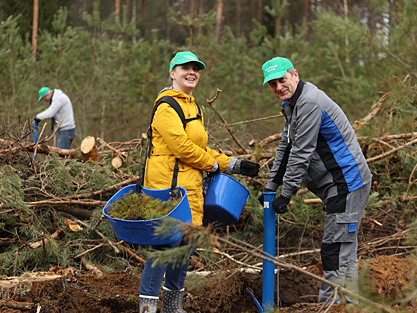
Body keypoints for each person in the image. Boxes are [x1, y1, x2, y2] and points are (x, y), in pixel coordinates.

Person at [137, 51, 259, 313]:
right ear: (172, 73)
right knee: (164, 248)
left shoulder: (194, 107)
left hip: (190, 189)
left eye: (195, 68)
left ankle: (172, 307)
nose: (191, 72)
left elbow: (200, 148)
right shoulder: (166, 106)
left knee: (185, 247)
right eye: (185, 68)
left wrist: (232, 164)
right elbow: (181, 147)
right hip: (168, 190)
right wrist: (212, 164)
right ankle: (147, 308)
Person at [258, 57, 372, 304]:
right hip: (337, 185)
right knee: (343, 251)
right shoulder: (293, 104)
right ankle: (350, 306)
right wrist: (271, 187)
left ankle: (329, 307)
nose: (278, 87)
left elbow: (301, 151)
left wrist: (286, 195)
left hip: (347, 183)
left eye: (282, 80)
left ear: (295, 75)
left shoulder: (309, 101)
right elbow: (286, 147)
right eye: (272, 84)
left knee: (334, 250)